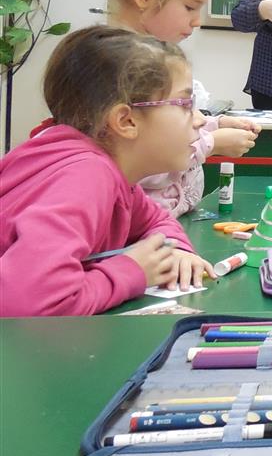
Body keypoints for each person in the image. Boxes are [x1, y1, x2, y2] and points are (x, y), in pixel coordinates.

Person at [0, 27, 213, 316]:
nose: (200, 120)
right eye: (186, 104)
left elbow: (155, 220)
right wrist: (130, 271)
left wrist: (174, 251)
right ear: (126, 121)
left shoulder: (111, 175)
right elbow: (29, 304)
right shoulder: (86, 177)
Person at [101, 0, 260, 215]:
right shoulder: (119, 69)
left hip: (163, 221)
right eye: (190, 7)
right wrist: (210, 144)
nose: (197, 21)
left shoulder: (153, 59)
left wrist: (214, 124)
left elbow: (163, 126)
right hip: (140, 230)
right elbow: (139, 162)